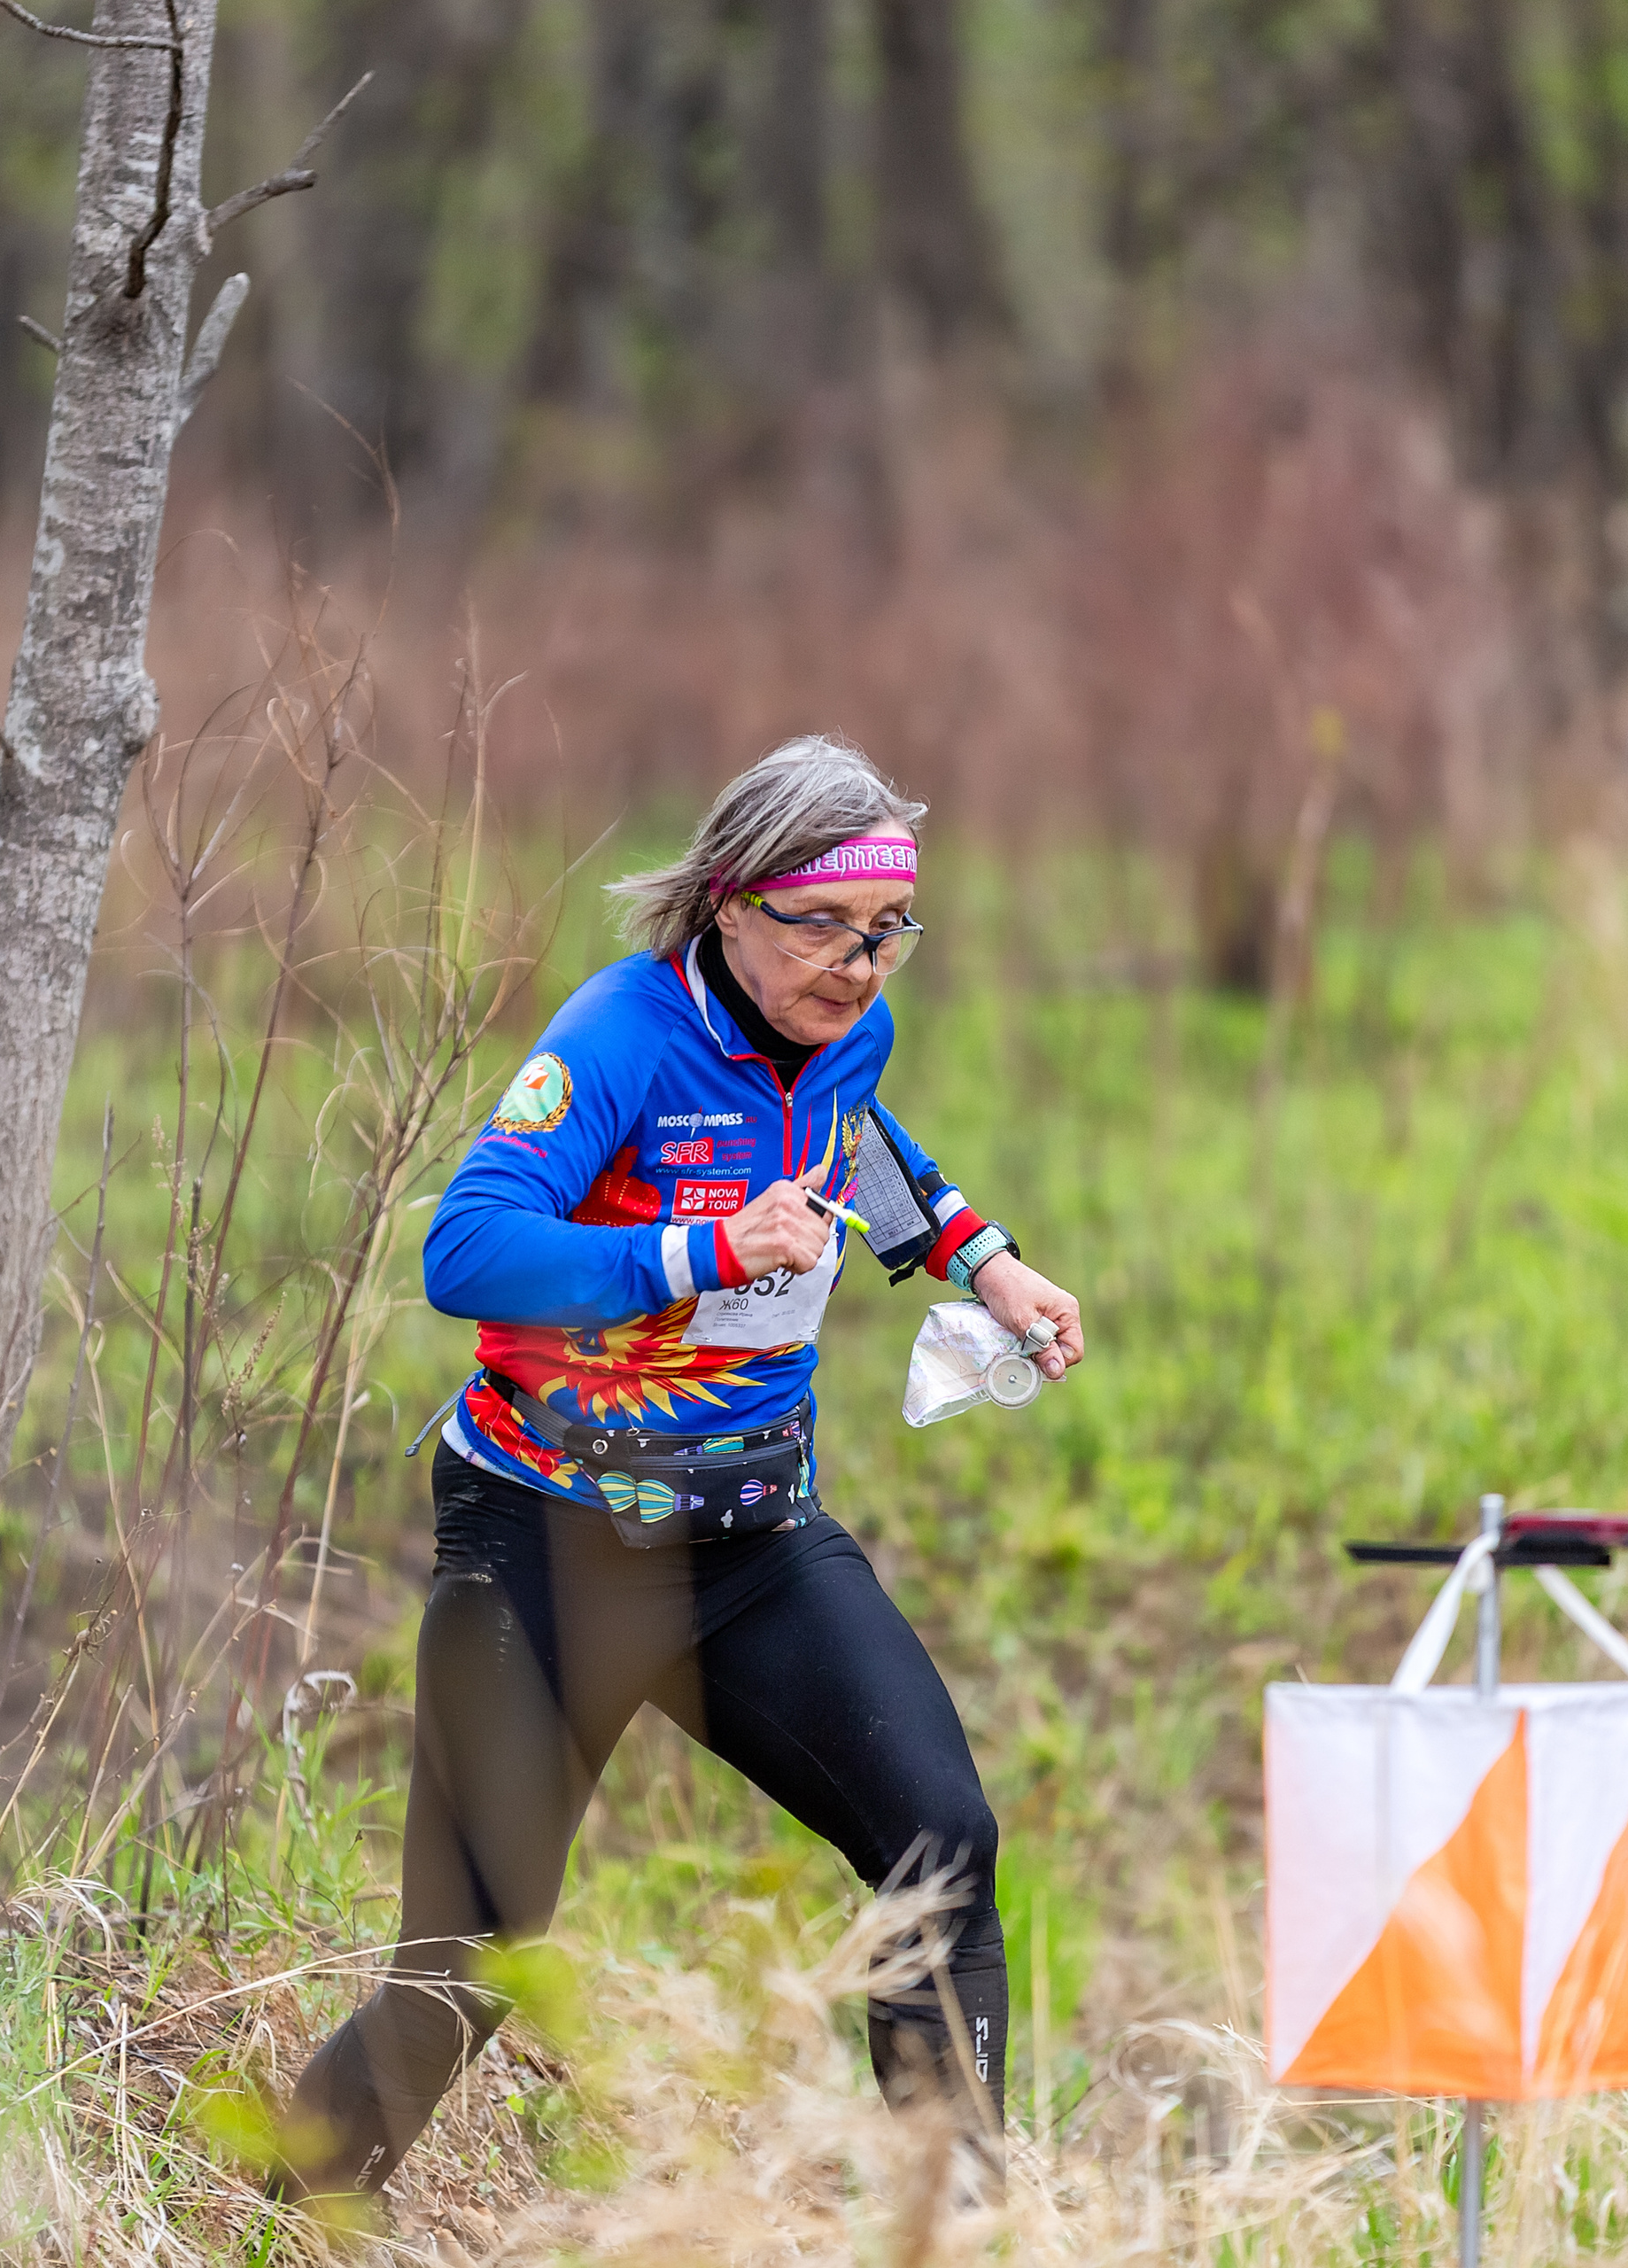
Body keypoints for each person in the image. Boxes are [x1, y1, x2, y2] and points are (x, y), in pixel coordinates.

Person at [272, 736, 1085, 2208]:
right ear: (729, 904)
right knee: (471, 1962)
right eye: (821, 926)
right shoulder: (619, 1039)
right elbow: (465, 1250)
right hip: (551, 1542)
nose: (858, 967)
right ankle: (286, 2216)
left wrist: (982, 1257)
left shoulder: (848, 1029)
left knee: (943, 1851)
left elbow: (853, 1130)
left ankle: (953, 2229)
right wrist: (701, 1249)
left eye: (886, 931)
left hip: (751, 1537)